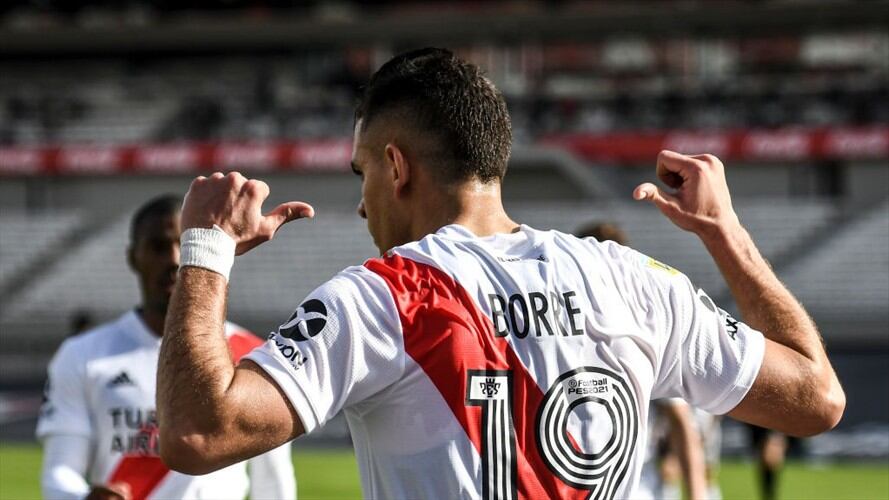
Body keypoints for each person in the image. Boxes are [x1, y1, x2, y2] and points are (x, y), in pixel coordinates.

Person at [156, 48, 844, 499]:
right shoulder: (635, 280)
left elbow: (196, 434)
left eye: (362, 172)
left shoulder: (384, 297)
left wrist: (205, 254)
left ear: (395, 167)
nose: (361, 201)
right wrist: (727, 237)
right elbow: (816, 400)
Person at [36, 194, 296, 500]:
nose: (174, 259)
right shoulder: (82, 355)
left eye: (185, 245)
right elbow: (59, 472)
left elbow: (274, 482)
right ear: (133, 257)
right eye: (159, 246)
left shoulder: (251, 353)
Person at [576, 222, 713, 500]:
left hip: (636, 486)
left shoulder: (638, 332)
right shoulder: (565, 327)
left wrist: (697, 494)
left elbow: (680, 421)